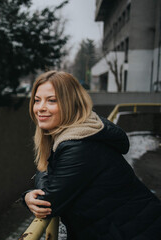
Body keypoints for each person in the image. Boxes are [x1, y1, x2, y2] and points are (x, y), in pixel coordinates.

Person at [22, 71, 161, 239]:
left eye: (51, 100)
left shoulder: (79, 145)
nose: (40, 108)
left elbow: (49, 202)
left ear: (71, 104)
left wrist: (27, 195)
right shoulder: (86, 129)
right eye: (37, 100)